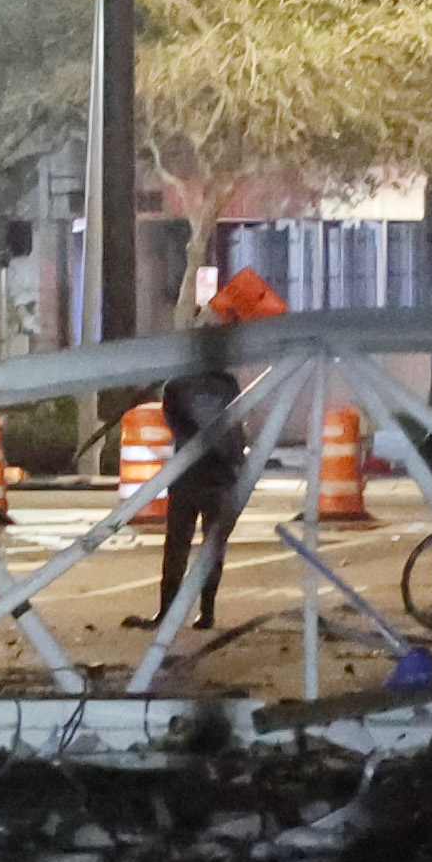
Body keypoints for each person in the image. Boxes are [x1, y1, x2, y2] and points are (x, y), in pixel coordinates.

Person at [150, 257, 287, 632]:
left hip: (196, 475)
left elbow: (179, 421)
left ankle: (180, 611)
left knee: (186, 546)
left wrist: (214, 450)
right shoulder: (215, 383)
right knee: (203, 547)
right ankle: (194, 612)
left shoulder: (187, 383)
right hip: (208, 475)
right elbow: (223, 426)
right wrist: (231, 459)